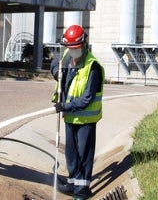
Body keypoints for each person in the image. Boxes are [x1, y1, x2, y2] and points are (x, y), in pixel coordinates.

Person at [51, 24, 105, 200]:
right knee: (71, 154)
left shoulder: (92, 67)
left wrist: (65, 106)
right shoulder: (67, 57)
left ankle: (82, 190)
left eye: (76, 48)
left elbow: (86, 99)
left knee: (84, 155)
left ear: (84, 44)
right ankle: (73, 184)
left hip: (85, 121)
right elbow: (55, 62)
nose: (73, 52)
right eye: (70, 48)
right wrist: (55, 70)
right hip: (70, 118)